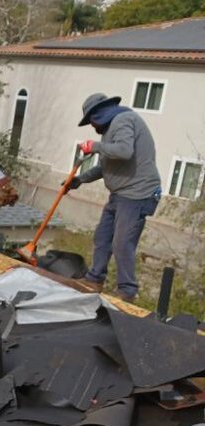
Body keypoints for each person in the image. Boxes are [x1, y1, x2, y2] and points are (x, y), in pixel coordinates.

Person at [69, 92, 162, 303]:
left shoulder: (124, 120)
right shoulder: (111, 128)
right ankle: (94, 279)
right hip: (120, 194)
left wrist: (95, 146)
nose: (92, 126)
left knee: (122, 243)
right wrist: (80, 180)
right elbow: (105, 166)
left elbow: (124, 151)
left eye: (91, 121)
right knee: (103, 237)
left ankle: (127, 292)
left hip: (138, 194)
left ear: (98, 114)